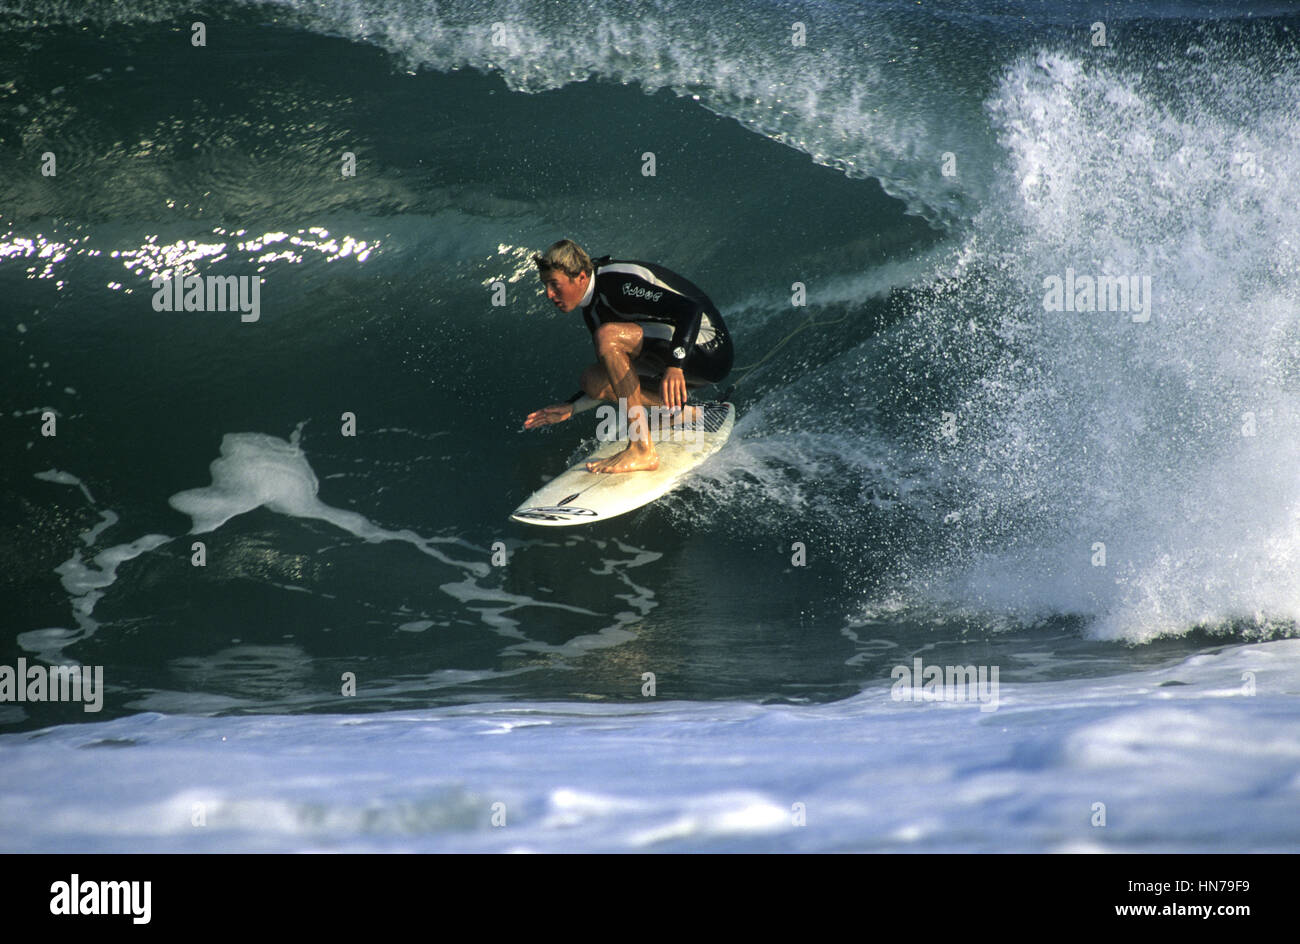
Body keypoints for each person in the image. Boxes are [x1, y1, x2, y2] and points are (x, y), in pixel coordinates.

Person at [524, 239, 734, 473]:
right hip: (676, 355)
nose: (549, 294)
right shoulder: (592, 311)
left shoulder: (617, 283)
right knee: (593, 380)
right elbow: (617, 371)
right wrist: (572, 408)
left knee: (608, 336)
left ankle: (642, 449)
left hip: (710, 350)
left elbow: (690, 310)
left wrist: (676, 365)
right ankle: (686, 413)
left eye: (554, 284)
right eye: (546, 286)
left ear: (581, 277)